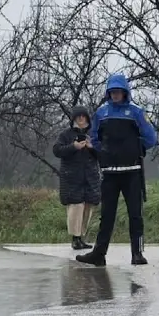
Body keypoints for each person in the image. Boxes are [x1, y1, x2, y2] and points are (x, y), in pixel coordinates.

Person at [76, 73, 157, 267]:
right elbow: (94, 138)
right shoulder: (102, 113)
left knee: (135, 214)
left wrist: (135, 149)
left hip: (132, 171)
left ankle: (137, 253)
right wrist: (102, 153)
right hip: (110, 172)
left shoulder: (136, 112)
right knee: (107, 215)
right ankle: (99, 253)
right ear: (108, 93)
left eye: (118, 92)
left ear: (125, 92)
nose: (115, 95)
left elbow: (151, 137)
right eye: (112, 92)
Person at [52, 106, 101, 250]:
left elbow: (102, 153)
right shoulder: (65, 135)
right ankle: (75, 237)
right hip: (72, 177)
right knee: (75, 207)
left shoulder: (93, 134)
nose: (81, 119)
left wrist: (92, 147)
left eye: (83, 116)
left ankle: (81, 236)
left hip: (90, 177)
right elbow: (57, 150)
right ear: (74, 118)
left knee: (88, 207)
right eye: (78, 116)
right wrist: (73, 147)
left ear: (87, 118)